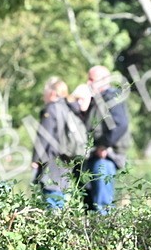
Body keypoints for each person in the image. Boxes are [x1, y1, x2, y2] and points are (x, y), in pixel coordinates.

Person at [31, 77, 90, 210]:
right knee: (61, 198)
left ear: (52, 93)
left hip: (52, 161)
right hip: (68, 160)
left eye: (45, 92)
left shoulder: (52, 109)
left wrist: (35, 160)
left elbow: (43, 137)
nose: (43, 96)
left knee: (50, 199)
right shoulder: (71, 108)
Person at [81, 65, 130, 213]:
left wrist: (104, 146)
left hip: (105, 158)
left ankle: (105, 228)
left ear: (103, 80)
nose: (88, 83)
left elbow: (121, 124)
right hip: (95, 157)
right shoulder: (97, 99)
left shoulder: (111, 97)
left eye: (92, 79)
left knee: (103, 205)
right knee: (91, 205)